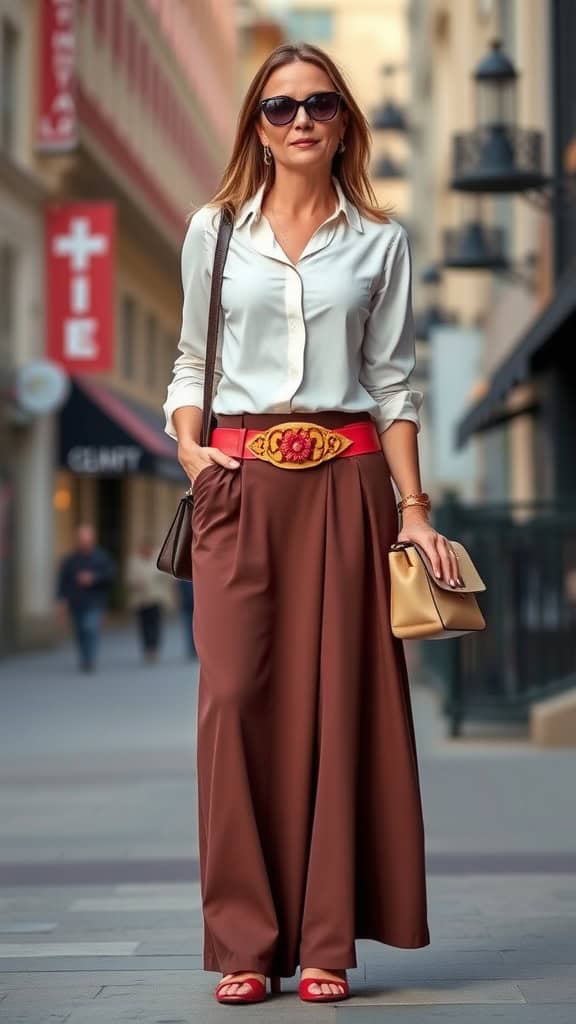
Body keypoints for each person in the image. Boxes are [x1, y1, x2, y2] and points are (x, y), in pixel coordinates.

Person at [163, 42, 464, 1006]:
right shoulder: (212, 230)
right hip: (239, 483)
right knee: (232, 701)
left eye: (319, 106)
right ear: (255, 123)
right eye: (279, 108)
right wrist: (188, 447)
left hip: (349, 483)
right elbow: (187, 360)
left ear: (345, 123)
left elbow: (392, 383)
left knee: (341, 704)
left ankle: (327, 938)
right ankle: (247, 940)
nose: (299, 122)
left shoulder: (381, 239)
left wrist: (414, 512)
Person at [56, 524, 115, 673]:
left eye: (86, 540)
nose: (84, 543)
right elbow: (63, 580)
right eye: (81, 540)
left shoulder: (101, 557)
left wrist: (93, 579)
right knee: (80, 631)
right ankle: (84, 657)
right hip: (77, 602)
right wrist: (62, 600)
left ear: (92, 540)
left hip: (95, 601)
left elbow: (109, 577)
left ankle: (90, 658)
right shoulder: (71, 560)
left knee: (90, 627)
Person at [126, 538, 174, 663]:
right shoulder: (134, 561)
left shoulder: (159, 559)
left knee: (155, 625)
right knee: (144, 625)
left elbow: (169, 577)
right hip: (140, 600)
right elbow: (129, 578)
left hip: (156, 598)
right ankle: (147, 648)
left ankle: (154, 648)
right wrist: (135, 583)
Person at [176, 578, 196, 658]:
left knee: (193, 625)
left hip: (195, 602)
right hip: (187, 603)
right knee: (189, 625)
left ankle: (195, 647)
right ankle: (193, 647)